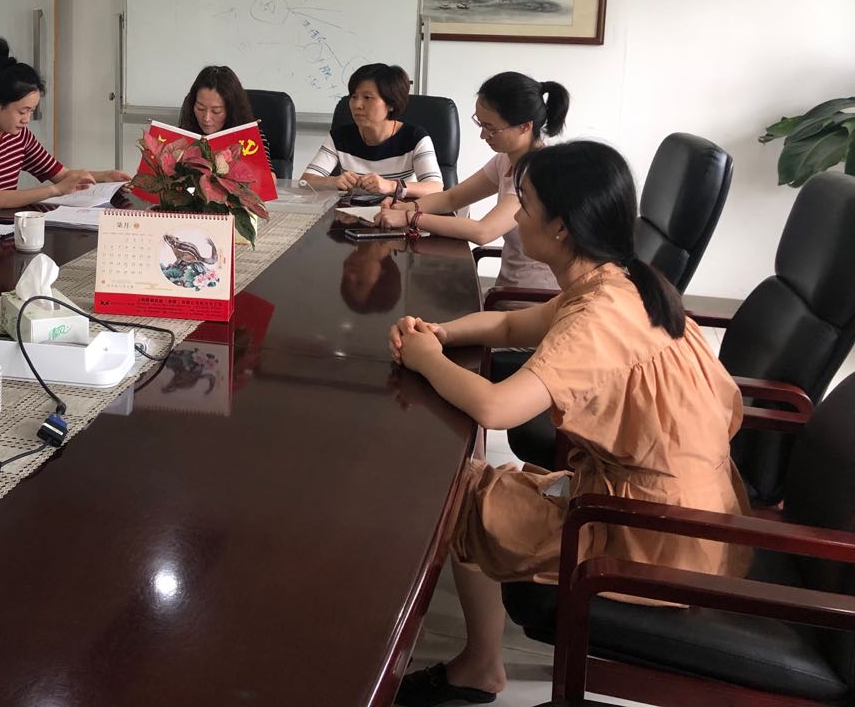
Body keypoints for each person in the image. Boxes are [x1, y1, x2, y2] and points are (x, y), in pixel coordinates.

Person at [387, 142, 750, 706]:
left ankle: (478, 667)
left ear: (560, 227)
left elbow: (496, 409)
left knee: (456, 497)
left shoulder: (601, 317)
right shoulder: (617, 281)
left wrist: (427, 360)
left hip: (654, 535)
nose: (515, 215)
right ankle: (480, 662)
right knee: (475, 486)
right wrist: (441, 332)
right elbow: (512, 328)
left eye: (525, 203)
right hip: (664, 503)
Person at [379, 71, 569, 291]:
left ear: (525, 127)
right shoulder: (505, 160)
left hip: (533, 297)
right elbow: (452, 198)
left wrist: (409, 217)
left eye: (491, 128)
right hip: (507, 289)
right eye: (481, 124)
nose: (483, 136)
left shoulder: (537, 173)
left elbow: (483, 232)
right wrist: (405, 206)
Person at [0, 37, 129, 226]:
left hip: (3, 232)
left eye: (31, 111)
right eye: (22, 111)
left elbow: (62, 175)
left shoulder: (19, 136)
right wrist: (54, 190)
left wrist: (106, 176)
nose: (27, 119)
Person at [301, 63, 443, 198]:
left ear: (391, 104)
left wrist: (391, 186)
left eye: (367, 97)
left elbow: (435, 188)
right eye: (353, 97)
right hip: (349, 211)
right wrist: (332, 182)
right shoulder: (339, 136)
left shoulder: (415, 137)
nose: (357, 105)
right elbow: (305, 182)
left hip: (398, 211)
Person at [178, 65, 256, 136]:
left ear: (232, 110)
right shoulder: (183, 132)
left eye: (216, 111)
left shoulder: (252, 137)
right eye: (200, 108)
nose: (206, 118)